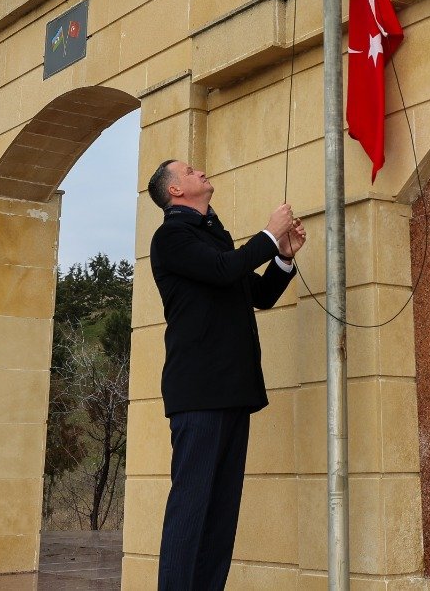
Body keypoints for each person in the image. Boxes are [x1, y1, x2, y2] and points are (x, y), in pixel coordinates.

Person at [147, 158, 306, 591]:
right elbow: (225, 269)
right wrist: (270, 235)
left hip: (232, 390)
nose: (200, 172)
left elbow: (257, 293)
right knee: (191, 508)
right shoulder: (171, 237)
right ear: (175, 191)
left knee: (220, 513)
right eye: (190, 170)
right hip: (199, 393)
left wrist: (283, 259)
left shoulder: (211, 236)